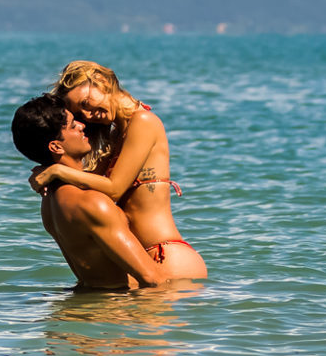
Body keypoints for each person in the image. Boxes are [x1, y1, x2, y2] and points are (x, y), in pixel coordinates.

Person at [27, 60, 207, 279]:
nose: (88, 114)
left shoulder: (143, 122)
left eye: (86, 102)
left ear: (102, 81)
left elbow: (114, 189)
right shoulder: (118, 134)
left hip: (166, 255)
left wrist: (57, 172)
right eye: (80, 113)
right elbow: (88, 188)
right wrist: (46, 170)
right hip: (150, 258)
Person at [10, 95, 173, 291]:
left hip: (95, 302)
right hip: (117, 309)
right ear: (56, 146)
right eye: (72, 126)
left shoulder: (50, 201)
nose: (81, 125)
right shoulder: (91, 202)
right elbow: (152, 278)